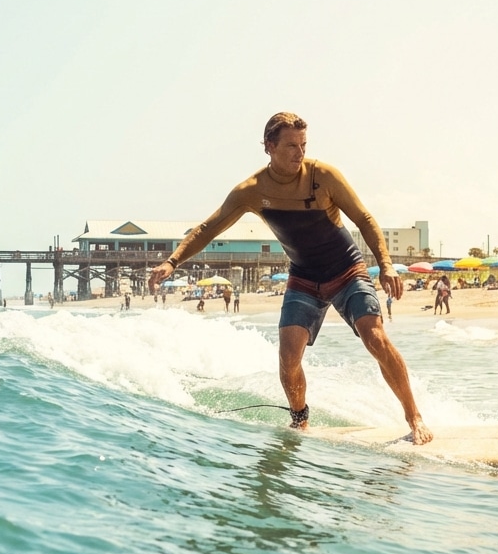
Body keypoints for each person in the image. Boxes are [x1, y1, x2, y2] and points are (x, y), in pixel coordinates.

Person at [147, 112, 432, 444]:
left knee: (375, 337)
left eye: (304, 145)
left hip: (346, 270)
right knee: (288, 356)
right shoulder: (251, 191)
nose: (300, 153)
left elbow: (365, 219)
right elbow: (209, 228)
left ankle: (415, 418)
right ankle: (300, 422)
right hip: (304, 278)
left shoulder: (322, 176)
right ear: (269, 146)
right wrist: (173, 261)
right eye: (291, 146)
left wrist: (385, 265)